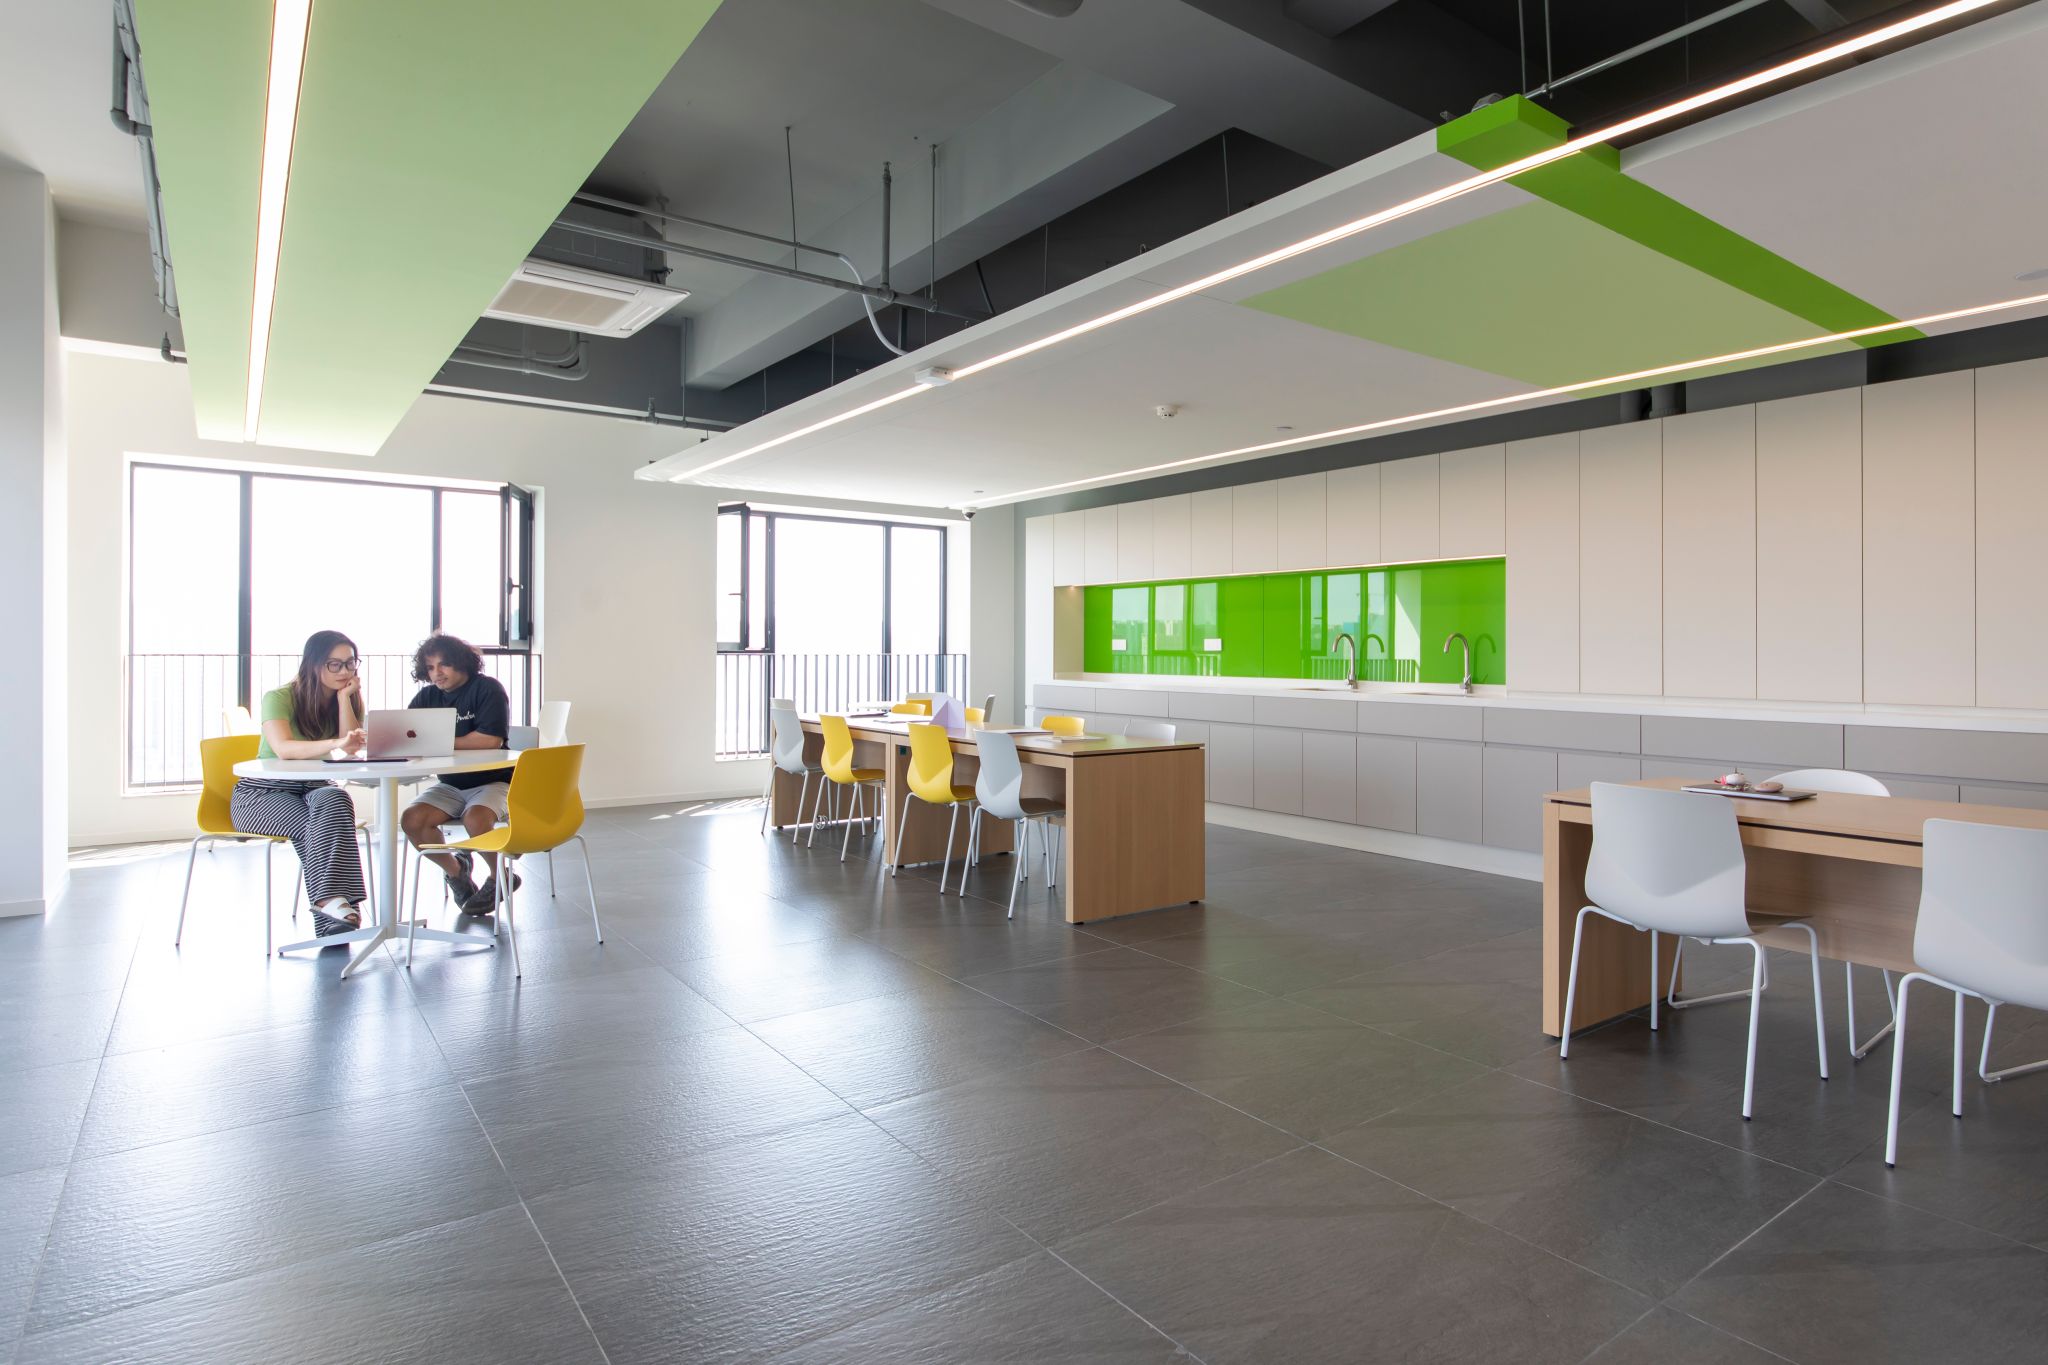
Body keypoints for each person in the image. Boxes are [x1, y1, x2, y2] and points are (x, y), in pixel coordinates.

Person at [232, 630, 370, 937]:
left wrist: (344, 700)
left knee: (336, 799)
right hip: (261, 794)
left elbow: (350, 745)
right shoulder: (279, 698)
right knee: (320, 826)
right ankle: (336, 918)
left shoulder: (347, 698)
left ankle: (331, 908)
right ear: (313, 663)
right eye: (334, 664)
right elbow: (284, 748)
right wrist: (336, 742)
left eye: (350, 663)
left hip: (314, 788)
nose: (344, 671)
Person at [398, 633, 517, 913]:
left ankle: (500, 876)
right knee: (412, 820)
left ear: (462, 663)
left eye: (444, 665)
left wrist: (436, 742)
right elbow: (407, 735)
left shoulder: (487, 689)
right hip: (450, 784)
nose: (436, 673)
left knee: (475, 818)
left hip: (494, 780)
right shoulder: (428, 696)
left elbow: (490, 740)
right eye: (430, 667)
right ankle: (456, 871)